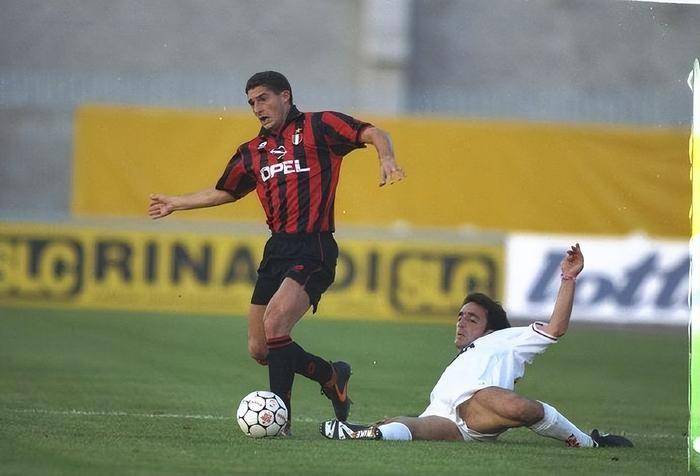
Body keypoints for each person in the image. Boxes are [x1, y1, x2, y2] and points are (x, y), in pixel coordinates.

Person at [148, 71, 405, 433]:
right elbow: (226, 191)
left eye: (263, 98)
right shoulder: (252, 151)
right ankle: (331, 375)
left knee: (275, 325)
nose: (257, 108)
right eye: (251, 102)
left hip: (313, 245)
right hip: (277, 248)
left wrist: (386, 157)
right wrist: (176, 203)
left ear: (285, 96)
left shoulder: (319, 127)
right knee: (261, 348)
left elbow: (374, 132)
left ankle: (281, 421)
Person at [321, 244, 633, 448]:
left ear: (490, 328)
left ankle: (588, 442)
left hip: (481, 407)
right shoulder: (461, 358)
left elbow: (556, 328)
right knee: (410, 426)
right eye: (460, 316)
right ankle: (366, 432)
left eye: (471, 318)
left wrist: (568, 278)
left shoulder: (506, 339)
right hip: (445, 417)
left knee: (522, 408)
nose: (461, 322)